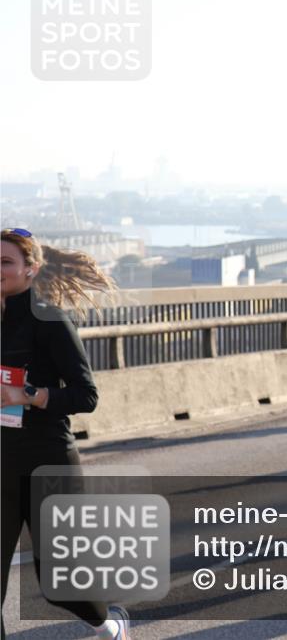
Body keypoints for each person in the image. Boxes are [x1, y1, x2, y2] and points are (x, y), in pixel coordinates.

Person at [1, 228, 132, 640]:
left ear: (31, 270)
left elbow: (86, 395)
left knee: (60, 583)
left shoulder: (49, 320)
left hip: (47, 459)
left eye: (6, 262)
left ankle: (110, 624)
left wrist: (29, 395)